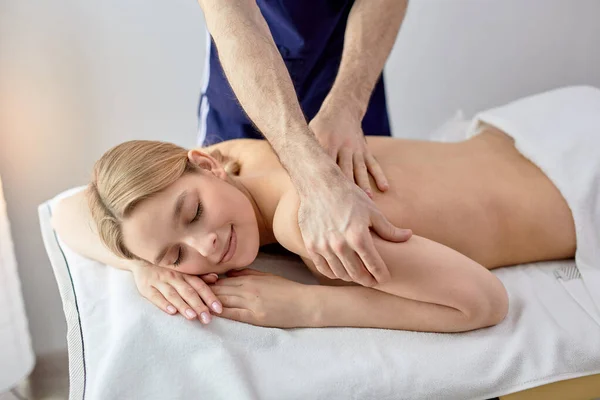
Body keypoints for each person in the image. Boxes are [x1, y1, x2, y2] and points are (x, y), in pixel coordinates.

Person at [54, 85, 598, 331]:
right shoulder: (239, 158)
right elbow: (70, 212)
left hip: (580, 180)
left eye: (192, 214)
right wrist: (143, 265)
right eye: (178, 253)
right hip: (546, 124)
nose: (206, 245)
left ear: (204, 162)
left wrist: (308, 309)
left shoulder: (301, 221)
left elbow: (483, 304)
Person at [193, 0, 413, 294]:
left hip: (343, 78)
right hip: (243, 93)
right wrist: (140, 262)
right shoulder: (227, 159)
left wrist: (347, 105)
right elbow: (230, 13)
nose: (206, 247)